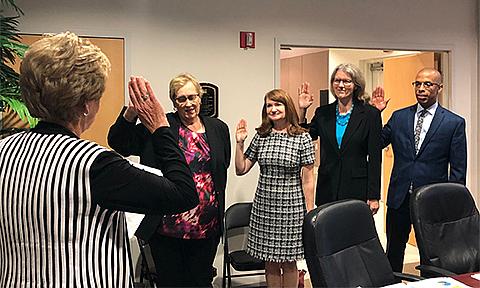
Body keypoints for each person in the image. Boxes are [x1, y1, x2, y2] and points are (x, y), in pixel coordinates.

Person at [0, 32, 197, 287]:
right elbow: (184, 193)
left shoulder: (4, 149)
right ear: (86, 104)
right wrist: (160, 126)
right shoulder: (94, 163)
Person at [108, 73, 231, 287]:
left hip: (206, 227)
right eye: (181, 99)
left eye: (192, 97)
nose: (188, 104)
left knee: (201, 282)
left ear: (200, 98)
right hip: (167, 228)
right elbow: (120, 143)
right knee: (171, 283)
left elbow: (222, 166)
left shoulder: (218, 128)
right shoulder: (160, 126)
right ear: (174, 102)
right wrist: (131, 113)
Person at [371, 67, 467, 272]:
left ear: (439, 88)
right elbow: (375, 143)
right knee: (394, 251)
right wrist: (374, 115)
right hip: (399, 197)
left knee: (431, 254)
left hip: (432, 201)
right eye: (418, 84)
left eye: (427, 84)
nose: (421, 88)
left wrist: (451, 205)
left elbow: (458, 170)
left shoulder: (453, 123)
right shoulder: (399, 117)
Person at [235, 89, 315, 288]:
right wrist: (239, 143)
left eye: (277, 104)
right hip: (264, 207)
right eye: (269, 105)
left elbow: (308, 179)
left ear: (287, 106)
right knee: (269, 260)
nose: (273, 109)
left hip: (291, 207)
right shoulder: (261, 136)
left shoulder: (302, 137)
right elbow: (241, 168)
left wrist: (310, 210)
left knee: (289, 262)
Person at [298, 63, 382, 214]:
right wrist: (303, 110)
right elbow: (305, 136)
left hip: (356, 188)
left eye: (346, 81)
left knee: (352, 234)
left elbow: (375, 158)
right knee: (328, 234)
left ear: (356, 85)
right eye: (337, 81)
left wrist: (374, 196)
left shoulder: (370, 115)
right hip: (327, 186)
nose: (341, 85)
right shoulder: (323, 113)